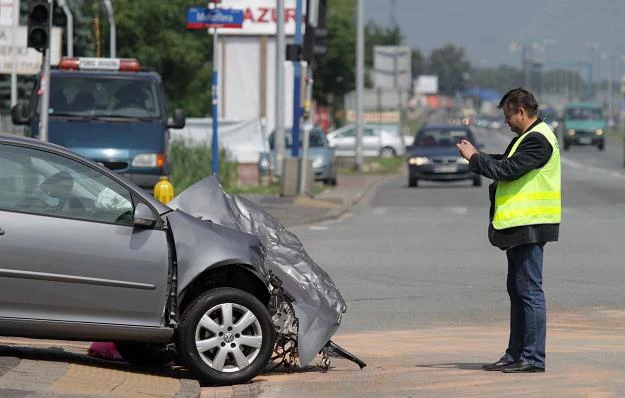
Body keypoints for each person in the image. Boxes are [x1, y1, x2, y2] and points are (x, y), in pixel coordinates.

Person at [456, 88, 561, 373]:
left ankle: (533, 358)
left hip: (531, 225)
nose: (506, 122)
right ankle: (515, 354)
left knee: (529, 292)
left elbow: (507, 170)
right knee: (518, 291)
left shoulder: (538, 141)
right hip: (518, 226)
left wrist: (475, 159)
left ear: (521, 112)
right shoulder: (526, 139)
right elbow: (504, 161)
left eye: (508, 116)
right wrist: (476, 156)